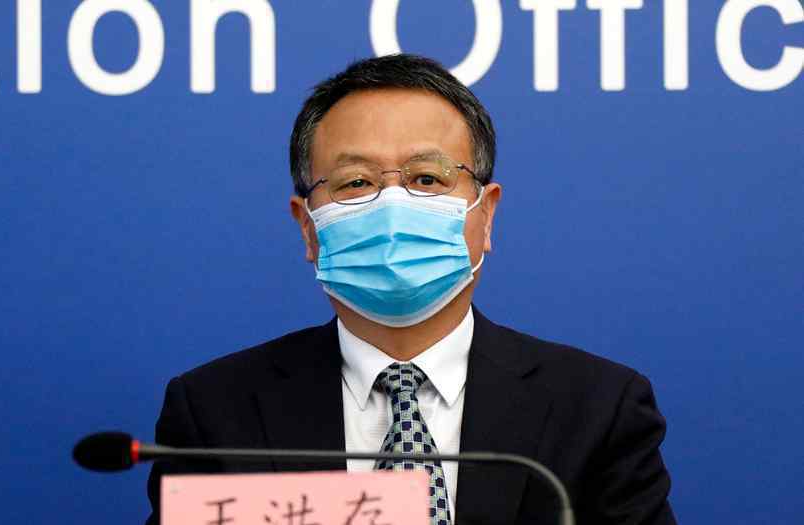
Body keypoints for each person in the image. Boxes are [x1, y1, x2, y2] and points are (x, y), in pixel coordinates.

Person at [146, 54, 676, 525]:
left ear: (486, 214)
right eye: (356, 182)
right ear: (307, 226)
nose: (393, 206)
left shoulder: (597, 409)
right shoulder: (216, 412)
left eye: (427, 179)